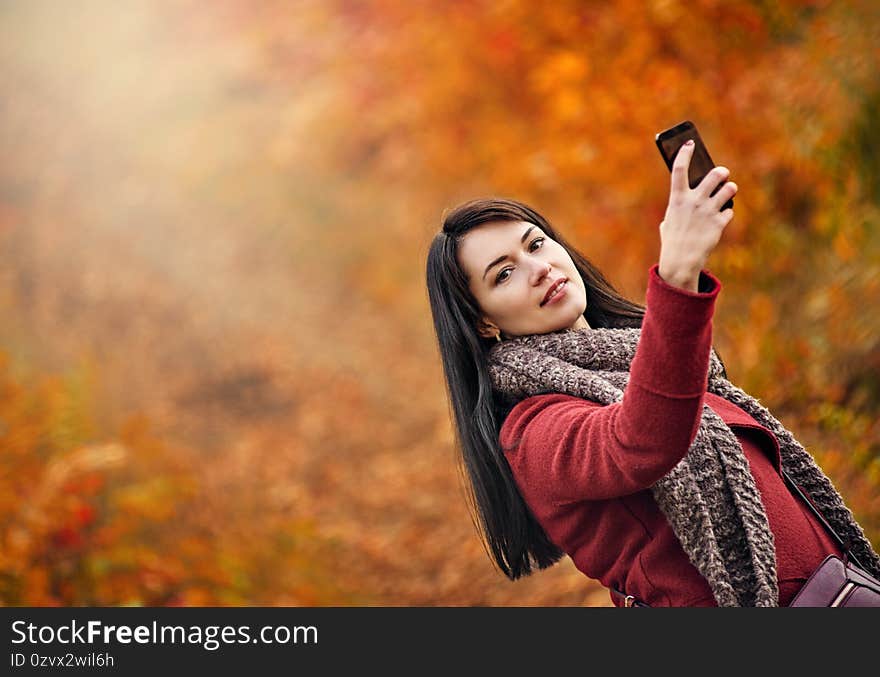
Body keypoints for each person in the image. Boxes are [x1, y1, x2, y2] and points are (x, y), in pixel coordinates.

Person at [424, 140, 880, 606]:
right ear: (483, 322)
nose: (538, 269)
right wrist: (679, 278)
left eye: (536, 244)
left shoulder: (639, 354)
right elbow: (640, 439)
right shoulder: (531, 433)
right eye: (503, 274)